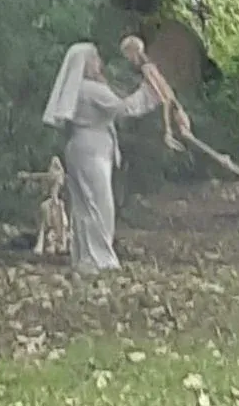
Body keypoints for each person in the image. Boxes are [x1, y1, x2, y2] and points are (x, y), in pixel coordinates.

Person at [42, 42, 162, 273]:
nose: (100, 64)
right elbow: (122, 108)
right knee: (100, 204)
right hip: (92, 150)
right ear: (86, 64)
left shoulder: (80, 89)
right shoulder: (90, 89)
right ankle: (100, 258)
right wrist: (149, 92)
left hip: (81, 148)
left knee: (85, 205)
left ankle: (86, 257)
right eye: (96, 59)